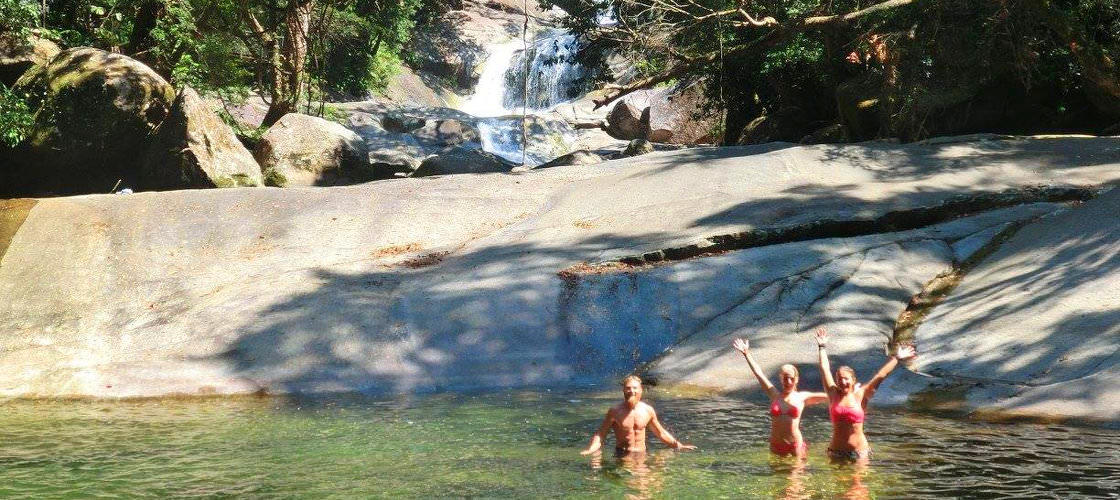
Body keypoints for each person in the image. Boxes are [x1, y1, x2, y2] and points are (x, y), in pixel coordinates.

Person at [815, 327, 916, 461]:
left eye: (846, 378)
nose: (843, 382)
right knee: (837, 482)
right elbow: (824, 369)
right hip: (835, 452)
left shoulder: (862, 394)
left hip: (859, 453)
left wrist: (897, 358)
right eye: (839, 379)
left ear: (853, 380)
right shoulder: (832, 393)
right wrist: (822, 346)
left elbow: (881, 375)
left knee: (858, 483)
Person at [732, 338, 827, 456]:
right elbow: (759, 373)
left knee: (795, 474)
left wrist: (852, 393)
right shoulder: (774, 395)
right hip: (776, 446)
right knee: (776, 474)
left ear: (796, 379)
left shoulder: (802, 397)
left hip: (795, 446)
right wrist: (747, 354)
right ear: (781, 379)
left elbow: (830, 396)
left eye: (791, 378)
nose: (788, 381)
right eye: (785, 378)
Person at [580, 375, 697, 456]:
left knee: (645, 487)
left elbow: (660, 433)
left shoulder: (647, 410)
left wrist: (678, 445)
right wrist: (592, 449)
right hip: (622, 454)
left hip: (642, 454)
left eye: (635, 388)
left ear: (641, 390)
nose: (631, 391)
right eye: (628, 388)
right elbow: (601, 434)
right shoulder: (615, 411)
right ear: (623, 391)